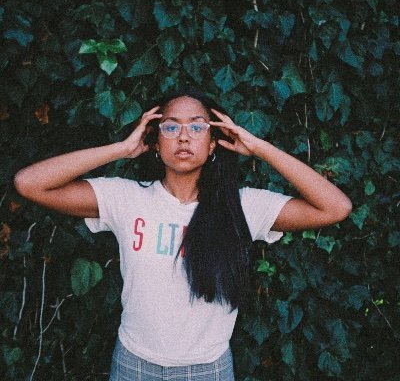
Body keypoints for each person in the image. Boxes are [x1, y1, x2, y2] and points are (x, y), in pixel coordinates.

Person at [14, 91, 352, 381]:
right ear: (155, 142)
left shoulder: (244, 206)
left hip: (207, 369)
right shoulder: (125, 198)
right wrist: (120, 148)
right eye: (171, 126)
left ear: (214, 142)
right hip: (134, 363)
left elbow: (335, 208)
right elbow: (29, 183)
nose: (184, 136)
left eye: (197, 126)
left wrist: (260, 147)